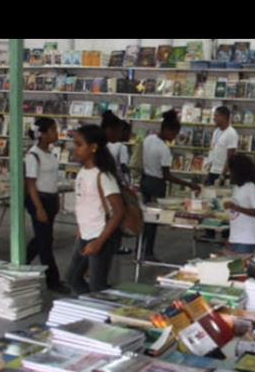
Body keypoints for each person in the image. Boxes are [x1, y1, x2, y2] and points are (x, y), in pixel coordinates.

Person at [66, 125, 126, 295]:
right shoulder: (83, 172)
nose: (75, 149)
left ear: (93, 147)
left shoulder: (103, 176)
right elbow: (85, 203)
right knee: (72, 278)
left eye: (79, 145)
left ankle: (105, 312)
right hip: (86, 235)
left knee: (97, 285)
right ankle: (90, 307)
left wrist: (99, 242)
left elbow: (119, 212)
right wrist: (81, 228)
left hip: (101, 237)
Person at [140, 110, 202, 262]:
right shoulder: (164, 149)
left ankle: (140, 249)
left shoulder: (149, 139)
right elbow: (167, 175)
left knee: (145, 217)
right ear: (168, 130)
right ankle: (148, 253)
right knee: (154, 220)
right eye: (174, 134)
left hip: (145, 180)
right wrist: (189, 184)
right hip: (156, 184)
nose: (174, 138)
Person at [23, 117, 69, 293]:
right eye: (52, 130)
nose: (56, 133)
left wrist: (56, 198)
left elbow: (51, 180)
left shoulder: (49, 154)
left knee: (42, 238)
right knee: (45, 242)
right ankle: (53, 281)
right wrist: (39, 208)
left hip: (50, 199)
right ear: (42, 134)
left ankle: (21, 262)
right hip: (39, 200)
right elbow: (31, 184)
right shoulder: (33, 156)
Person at [102, 111, 133, 255]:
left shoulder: (104, 147)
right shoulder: (117, 147)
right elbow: (122, 167)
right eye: (118, 132)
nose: (120, 135)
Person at [223, 154, 255, 255]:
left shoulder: (250, 187)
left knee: (238, 267)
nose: (229, 173)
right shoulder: (237, 187)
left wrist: (236, 208)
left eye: (231, 170)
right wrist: (230, 238)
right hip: (236, 236)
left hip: (247, 238)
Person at [206, 106, 238, 185]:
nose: (214, 118)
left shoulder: (231, 133)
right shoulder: (216, 131)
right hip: (212, 171)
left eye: (216, 116)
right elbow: (213, 150)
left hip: (222, 173)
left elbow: (230, 157)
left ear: (224, 117)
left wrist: (222, 175)